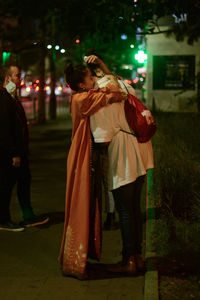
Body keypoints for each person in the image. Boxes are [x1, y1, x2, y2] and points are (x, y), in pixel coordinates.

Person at [85, 55, 154, 275]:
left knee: (124, 209)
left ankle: (129, 261)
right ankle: (138, 258)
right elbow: (121, 84)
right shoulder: (119, 86)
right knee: (134, 208)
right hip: (141, 147)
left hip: (123, 154)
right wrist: (104, 65)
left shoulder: (97, 99)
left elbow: (102, 139)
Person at [59, 61, 127, 279]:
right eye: (90, 78)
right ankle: (76, 264)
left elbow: (112, 90)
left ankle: (82, 259)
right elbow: (115, 92)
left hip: (87, 156)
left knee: (90, 205)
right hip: (83, 158)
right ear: (81, 84)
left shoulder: (85, 96)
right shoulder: (82, 99)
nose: (94, 80)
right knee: (84, 206)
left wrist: (102, 70)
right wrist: (104, 70)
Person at [0, 65, 49, 231]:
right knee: (7, 185)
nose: (19, 78)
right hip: (11, 153)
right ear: (7, 78)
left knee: (23, 182)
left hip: (19, 151)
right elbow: (5, 128)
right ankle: (4, 219)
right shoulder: (4, 98)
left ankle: (27, 216)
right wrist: (13, 153)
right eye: (16, 75)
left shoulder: (11, 97)